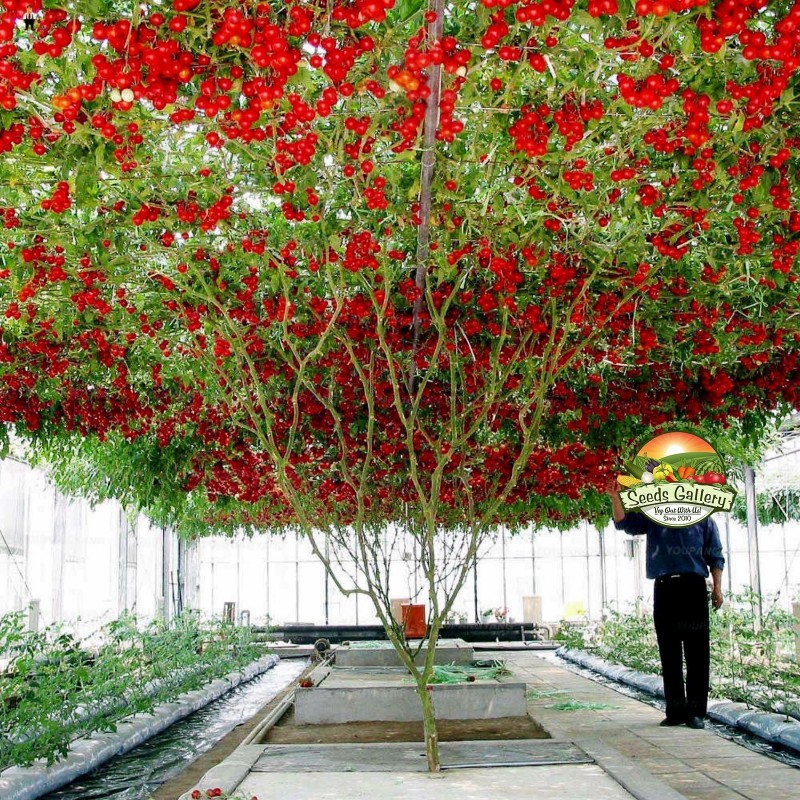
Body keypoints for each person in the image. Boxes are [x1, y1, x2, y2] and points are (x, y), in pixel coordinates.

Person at [608, 479, 724, 729]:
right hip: (665, 588)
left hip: (693, 587)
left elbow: (715, 555)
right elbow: (623, 523)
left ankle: (695, 712)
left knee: (697, 652)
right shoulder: (655, 516)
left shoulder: (703, 519)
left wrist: (718, 588)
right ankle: (675, 711)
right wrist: (615, 498)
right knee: (668, 650)